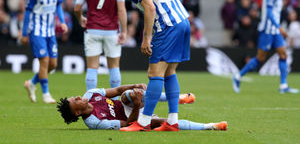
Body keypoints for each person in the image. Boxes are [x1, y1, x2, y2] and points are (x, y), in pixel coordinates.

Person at [97, 0, 191, 131]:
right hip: (182, 19)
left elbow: (150, 6)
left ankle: (143, 122)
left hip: (167, 25)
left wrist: (146, 37)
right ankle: (172, 122)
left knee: (154, 74)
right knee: (169, 71)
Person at [232, 0, 299, 94]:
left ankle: (283, 85)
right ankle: (238, 76)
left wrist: (278, 29)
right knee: (260, 58)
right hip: (267, 31)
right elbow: (268, 14)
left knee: (283, 55)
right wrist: (279, 27)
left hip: (275, 32)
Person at [57, 84, 227, 131]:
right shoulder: (94, 122)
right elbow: (127, 125)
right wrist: (138, 106)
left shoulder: (91, 94)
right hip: (133, 118)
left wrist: (135, 86)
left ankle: (177, 98)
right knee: (165, 123)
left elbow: (116, 90)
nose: (79, 96)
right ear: (77, 112)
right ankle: (210, 126)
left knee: (128, 94)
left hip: (128, 103)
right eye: (76, 100)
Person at [74, 0, 127, 96]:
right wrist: (124, 31)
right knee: (114, 67)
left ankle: (90, 100)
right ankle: (115, 102)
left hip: (92, 29)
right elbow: (121, 9)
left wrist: (80, 19)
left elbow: (77, 8)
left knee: (92, 68)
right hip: (111, 31)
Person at [22, 0, 68, 104]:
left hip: (50, 31)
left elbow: (58, 6)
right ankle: (46, 94)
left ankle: (31, 83)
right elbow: (27, 13)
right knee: (44, 61)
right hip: (36, 31)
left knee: (53, 64)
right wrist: (24, 33)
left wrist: (62, 21)